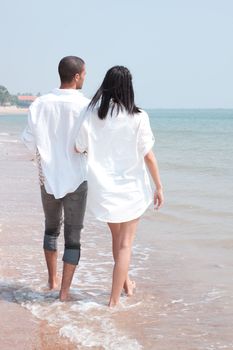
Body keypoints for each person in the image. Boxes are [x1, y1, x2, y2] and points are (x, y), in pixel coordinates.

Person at [75, 65, 164, 307]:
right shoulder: (139, 117)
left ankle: (126, 285)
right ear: (129, 88)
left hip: (103, 188)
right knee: (125, 244)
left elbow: (78, 147)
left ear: (106, 85)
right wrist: (159, 186)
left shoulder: (92, 114)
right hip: (132, 189)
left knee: (117, 238)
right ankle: (114, 301)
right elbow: (148, 156)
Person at [22, 56, 90, 301]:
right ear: (76, 76)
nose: (85, 77)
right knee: (73, 237)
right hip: (77, 178)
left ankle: (51, 281)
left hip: (47, 177)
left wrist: (41, 158)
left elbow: (29, 142)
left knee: (51, 230)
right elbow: (86, 143)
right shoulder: (86, 105)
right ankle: (63, 293)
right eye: (84, 74)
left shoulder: (40, 104)